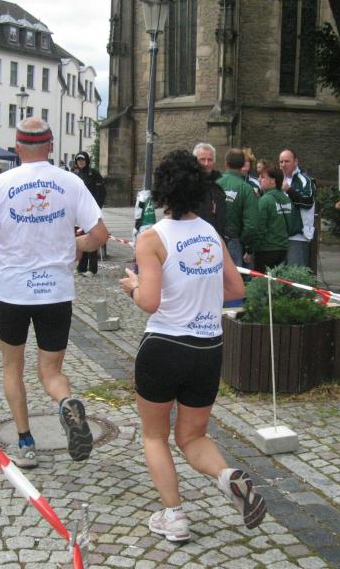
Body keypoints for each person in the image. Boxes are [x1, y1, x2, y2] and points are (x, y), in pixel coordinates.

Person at [118, 149, 265, 542]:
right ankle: (227, 475)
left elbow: (150, 301)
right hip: (207, 348)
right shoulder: (211, 234)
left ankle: (174, 516)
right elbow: (236, 289)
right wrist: (200, 289)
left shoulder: (152, 237)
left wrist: (133, 286)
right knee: (193, 436)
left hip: (164, 345)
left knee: (155, 436)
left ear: (162, 191)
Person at [0, 117, 110, 468]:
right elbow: (100, 235)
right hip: (55, 292)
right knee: (51, 372)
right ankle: (66, 403)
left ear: (16, 147)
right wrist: (77, 245)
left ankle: (25, 442)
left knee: (12, 367)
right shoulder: (71, 182)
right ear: (50, 146)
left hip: (14, 292)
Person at [217, 148, 259, 268]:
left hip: (213, 241)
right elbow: (251, 225)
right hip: (235, 242)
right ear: (242, 165)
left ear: (226, 164)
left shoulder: (215, 184)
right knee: (236, 278)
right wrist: (246, 245)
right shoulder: (246, 189)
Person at [254, 161, 298, 273]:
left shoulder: (265, 200)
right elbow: (291, 226)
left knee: (263, 282)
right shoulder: (287, 199)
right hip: (283, 249)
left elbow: (259, 228)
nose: (259, 180)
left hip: (266, 250)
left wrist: (250, 249)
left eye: (263, 177)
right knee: (278, 280)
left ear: (273, 180)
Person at [278, 149, 315, 266]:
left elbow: (308, 202)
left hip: (298, 236)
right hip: (279, 236)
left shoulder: (305, 181)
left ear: (296, 162)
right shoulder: (277, 181)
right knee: (277, 274)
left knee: (295, 274)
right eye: (281, 162)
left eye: (287, 161)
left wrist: (289, 190)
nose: (283, 165)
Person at [73, 151, 107, 276]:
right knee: (82, 238)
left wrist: (97, 208)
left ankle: (92, 269)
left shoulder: (94, 174)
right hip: (80, 212)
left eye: (82, 159)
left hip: (91, 211)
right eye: (78, 160)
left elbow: (102, 192)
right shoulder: (77, 175)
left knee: (93, 238)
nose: (81, 162)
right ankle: (81, 267)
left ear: (87, 160)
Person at [192, 142, 227, 237]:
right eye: (202, 159)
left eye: (210, 160)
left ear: (214, 162)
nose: (206, 163)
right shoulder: (188, 187)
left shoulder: (217, 188)